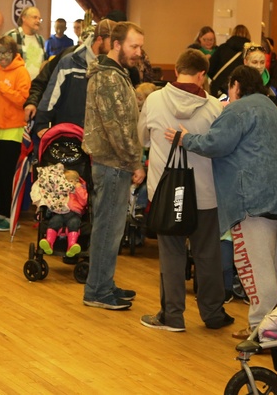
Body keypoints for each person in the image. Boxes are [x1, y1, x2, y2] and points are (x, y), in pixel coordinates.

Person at [173, 65, 277, 338]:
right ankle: (270, 326)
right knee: (272, 268)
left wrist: (185, 139)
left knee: (255, 267)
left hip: (252, 199)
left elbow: (215, 143)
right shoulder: (273, 110)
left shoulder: (239, 109)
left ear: (236, 86)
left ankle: (261, 330)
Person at [137, 49, 233, 331]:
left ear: (177, 70)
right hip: (205, 193)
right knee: (208, 255)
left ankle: (172, 316)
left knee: (171, 255)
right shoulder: (215, 107)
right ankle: (213, 314)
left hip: (166, 194)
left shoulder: (154, 100)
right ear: (202, 75)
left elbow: (142, 138)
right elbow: (220, 147)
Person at [82, 22, 146, 311]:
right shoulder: (108, 78)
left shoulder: (116, 73)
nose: (138, 52)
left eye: (140, 47)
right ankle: (97, 290)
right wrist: (135, 161)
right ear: (117, 45)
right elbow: (117, 128)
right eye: (134, 46)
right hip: (112, 163)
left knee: (111, 228)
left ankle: (103, 283)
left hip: (115, 163)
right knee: (108, 228)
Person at [0, 36, 31, 232]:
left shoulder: (21, 72)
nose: (2, 57)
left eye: (6, 53)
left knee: (10, 176)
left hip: (13, 131)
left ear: (13, 53)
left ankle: (12, 217)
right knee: (0, 175)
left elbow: (24, 100)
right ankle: (1, 213)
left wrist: (5, 89)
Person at [33, 19, 114, 134]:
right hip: (69, 132)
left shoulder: (115, 66)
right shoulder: (70, 61)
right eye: (112, 42)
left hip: (100, 135)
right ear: (100, 40)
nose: (116, 47)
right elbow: (52, 94)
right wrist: (42, 124)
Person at [30, 163, 87, 257]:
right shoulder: (61, 189)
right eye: (66, 181)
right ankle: (49, 243)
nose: (68, 184)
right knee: (54, 221)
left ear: (77, 181)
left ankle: (71, 245)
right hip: (60, 213)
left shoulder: (80, 189)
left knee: (74, 223)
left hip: (74, 213)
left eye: (71, 181)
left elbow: (84, 201)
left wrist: (78, 188)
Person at [2, 6, 46, 80]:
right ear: (24, 18)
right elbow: (2, 63)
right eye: (35, 17)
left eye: (39, 19)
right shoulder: (11, 37)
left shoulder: (41, 40)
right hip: (16, 83)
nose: (38, 21)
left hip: (37, 85)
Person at [208, 24, 252, 97]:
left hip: (219, 88)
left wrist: (219, 79)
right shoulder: (249, 52)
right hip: (239, 90)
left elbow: (210, 68)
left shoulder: (223, 48)